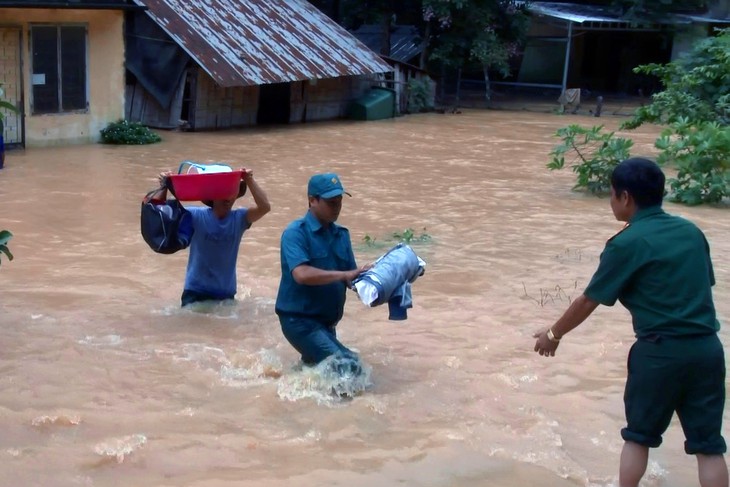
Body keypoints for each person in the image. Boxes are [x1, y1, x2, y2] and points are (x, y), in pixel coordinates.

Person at [533, 158, 727, 487]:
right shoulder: (691, 233)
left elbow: (589, 300)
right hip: (707, 350)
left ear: (625, 197)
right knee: (708, 446)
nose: (610, 202)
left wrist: (553, 334)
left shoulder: (625, 243)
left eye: (611, 194)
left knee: (638, 438)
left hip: (659, 353)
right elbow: (700, 286)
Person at [275, 173, 370, 373]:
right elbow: (301, 274)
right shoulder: (295, 233)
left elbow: (352, 278)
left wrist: (386, 280)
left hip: (326, 323)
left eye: (339, 202)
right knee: (349, 366)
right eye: (331, 202)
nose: (337, 207)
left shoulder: (341, 235)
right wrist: (343, 275)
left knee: (320, 374)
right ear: (312, 200)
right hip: (299, 321)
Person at [154, 168, 271, 306]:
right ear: (212, 195)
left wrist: (249, 179)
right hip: (195, 292)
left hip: (226, 294)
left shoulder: (240, 219)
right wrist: (164, 185)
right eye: (222, 192)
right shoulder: (195, 215)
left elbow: (265, 207)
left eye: (231, 192)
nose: (227, 197)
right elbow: (160, 214)